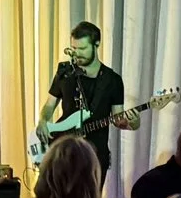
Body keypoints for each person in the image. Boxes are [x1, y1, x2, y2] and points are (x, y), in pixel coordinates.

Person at [35, 21, 137, 176]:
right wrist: (43, 121)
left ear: (97, 44)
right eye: (74, 48)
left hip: (95, 155)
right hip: (64, 151)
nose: (77, 53)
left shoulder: (112, 80)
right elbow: (49, 105)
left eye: (82, 49)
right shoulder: (65, 73)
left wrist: (132, 123)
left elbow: (118, 118)